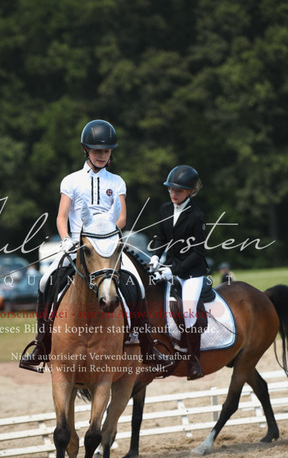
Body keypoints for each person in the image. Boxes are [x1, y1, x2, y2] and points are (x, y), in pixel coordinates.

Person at [20, 119, 173, 372]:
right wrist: (66, 240)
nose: (102, 155)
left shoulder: (117, 181)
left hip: (109, 245)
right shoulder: (71, 181)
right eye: (97, 151)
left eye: (107, 151)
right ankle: (41, 344)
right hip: (78, 245)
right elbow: (61, 217)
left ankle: (147, 347)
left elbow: (122, 218)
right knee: (45, 282)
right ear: (86, 150)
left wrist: (106, 229)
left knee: (137, 284)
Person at [148, 165, 209, 380]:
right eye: (171, 189)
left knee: (188, 312)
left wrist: (173, 270)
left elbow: (197, 253)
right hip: (169, 267)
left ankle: (194, 361)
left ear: (190, 192)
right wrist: (156, 256)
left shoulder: (197, 216)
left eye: (179, 191)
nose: (173, 194)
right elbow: (161, 237)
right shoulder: (165, 209)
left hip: (192, 273)